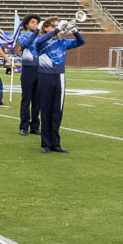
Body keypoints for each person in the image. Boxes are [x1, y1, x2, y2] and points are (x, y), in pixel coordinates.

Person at [33, 17, 85, 153]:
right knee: (45, 111)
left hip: (59, 77)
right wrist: (57, 30)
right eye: (53, 26)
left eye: (57, 25)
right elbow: (39, 41)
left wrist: (75, 31)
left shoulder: (63, 42)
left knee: (57, 112)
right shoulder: (42, 42)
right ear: (46, 28)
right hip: (45, 77)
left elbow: (81, 42)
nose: (57, 28)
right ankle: (45, 143)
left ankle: (55, 143)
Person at [16, 15, 41, 135]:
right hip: (28, 69)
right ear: (27, 24)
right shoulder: (23, 35)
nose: (35, 24)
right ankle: (24, 126)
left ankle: (35, 126)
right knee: (26, 98)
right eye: (33, 22)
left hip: (40, 69)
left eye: (36, 22)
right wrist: (36, 33)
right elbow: (25, 44)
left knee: (37, 100)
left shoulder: (40, 35)